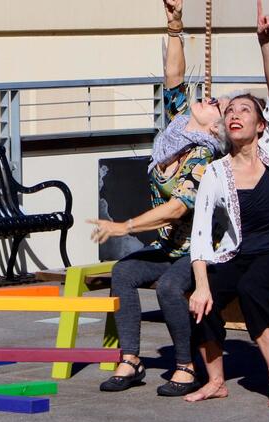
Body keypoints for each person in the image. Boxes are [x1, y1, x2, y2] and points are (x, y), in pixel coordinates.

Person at [88, 0, 225, 396]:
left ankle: (185, 365)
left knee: (168, 287)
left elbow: (178, 207)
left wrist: (124, 225)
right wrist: (175, 25)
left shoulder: (205, 155)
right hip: (169, 247)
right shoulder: (177, 133)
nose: (207, 99)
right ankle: (130, 359)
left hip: (198, 253)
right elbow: (174, 75)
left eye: (213, 104)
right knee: (124, 273)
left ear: (213, 128)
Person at [186, 0, 269, 410]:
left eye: (245, 110)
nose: (236, 114)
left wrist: (265, 43)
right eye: (231, 110)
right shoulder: (216, 173)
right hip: (238, 252)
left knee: (254, 288)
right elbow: (201, 236)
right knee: (200, 298)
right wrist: (202, 285)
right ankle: (216, 380)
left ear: (260, 125)